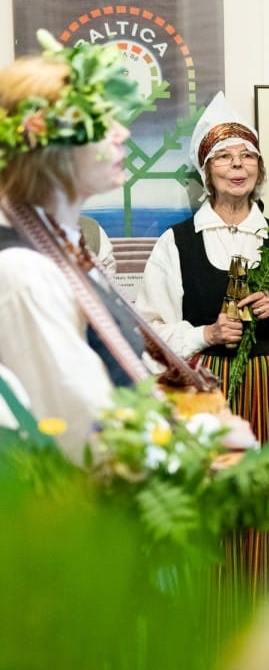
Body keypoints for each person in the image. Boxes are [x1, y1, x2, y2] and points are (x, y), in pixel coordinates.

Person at [136, 91, 269, 448]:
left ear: (259, 168)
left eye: (247, 156)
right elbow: (151, 333)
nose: (238, 165)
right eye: (223, 156)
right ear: (206, 172)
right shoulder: (176, 243)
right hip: (203, 390)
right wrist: (206, 335)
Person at [0, 32, 151, 462]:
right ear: (52, 148)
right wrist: (199, 441)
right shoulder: (24, 271)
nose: (122, 132)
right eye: (102, 123)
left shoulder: (60, 246)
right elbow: (84, 434)